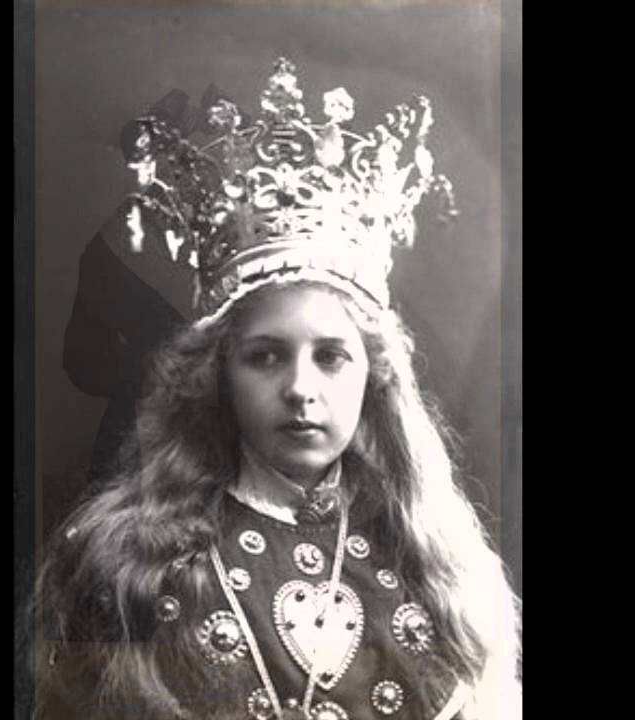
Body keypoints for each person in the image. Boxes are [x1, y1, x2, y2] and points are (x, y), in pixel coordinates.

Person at [29, 58, 521, 720]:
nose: (299, 388)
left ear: (375, 377)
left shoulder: (442, 566)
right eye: (265, 357)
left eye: (331, 358)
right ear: (217, 374)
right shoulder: (122, 563)